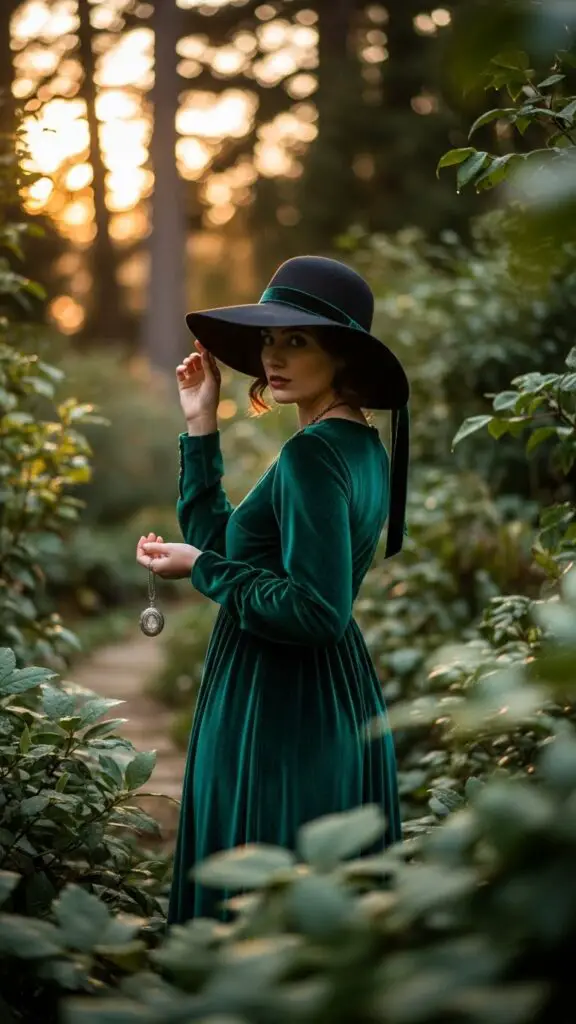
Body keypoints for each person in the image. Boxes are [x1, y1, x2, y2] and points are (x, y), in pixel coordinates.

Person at [135, 255, 410, 925]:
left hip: (280, 703)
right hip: (327, 695)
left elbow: (315, 611)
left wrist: (202, 568)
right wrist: (202, 425)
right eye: (269, 339)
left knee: (258, 900)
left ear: (341, 356)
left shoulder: (312, 455)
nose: (273, 357)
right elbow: (234, 548)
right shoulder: (357, 445)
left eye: (297, 340)